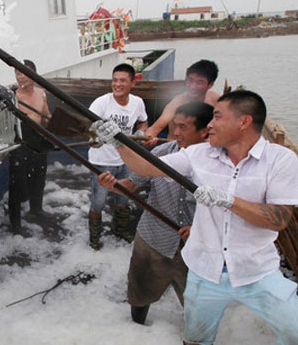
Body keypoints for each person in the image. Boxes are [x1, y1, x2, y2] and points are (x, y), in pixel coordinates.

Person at [93, 90, 298, 345]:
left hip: (257, 270)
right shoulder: (198, 154)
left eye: (218, 117)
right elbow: (145, 167)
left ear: (244, 121)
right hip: (205, 271)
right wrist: (119, 142)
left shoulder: (280, 160)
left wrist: (229, 201)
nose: (211, 125)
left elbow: (280, 219)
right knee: (196, 336)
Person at [97, 102, 213, 325]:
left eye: (183, 128)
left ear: (204, 131)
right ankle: (136, 328)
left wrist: (200, 230)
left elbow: (227, 212)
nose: (176, 133)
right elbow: (130, 185)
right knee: (140, 292)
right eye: (174, 126)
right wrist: (113, 185)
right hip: (152, 238)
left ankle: (194, 342)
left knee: (198, 306)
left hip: (195, 248)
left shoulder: (218, 165)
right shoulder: (161, 152)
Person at [87, 63, 150, 249]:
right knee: (98, 202)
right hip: (101, 161)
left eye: (123, 80)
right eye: (114, 80)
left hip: (126, 161)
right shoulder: (101, 102)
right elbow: (88, 126)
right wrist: (94, 136)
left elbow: (144, 122)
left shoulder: (137, 103)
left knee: (123, 199)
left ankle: (120, 231)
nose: (117, 84)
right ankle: (94, 240)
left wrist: (140, 134)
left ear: (132, 83)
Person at [10, 60, 53, 229]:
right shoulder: (13, 97)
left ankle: (36, 210)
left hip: (38, 137)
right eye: (18, 73)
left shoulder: (41, 93)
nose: (21, 77)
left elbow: (46, 116)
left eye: (24, 73)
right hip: (20, 140)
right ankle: (16, 224)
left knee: (39, 177)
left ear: (34, 75)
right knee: (17, 182)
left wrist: (54, 122)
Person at [145, 60, 220, 140]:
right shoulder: (177, 103)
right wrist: (148, 138)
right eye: (190, 80)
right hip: (177, 147)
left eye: (199, 82)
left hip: (205, 146)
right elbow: (156, 127)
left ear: (210, 84)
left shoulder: (215, 99)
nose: (192, 86)